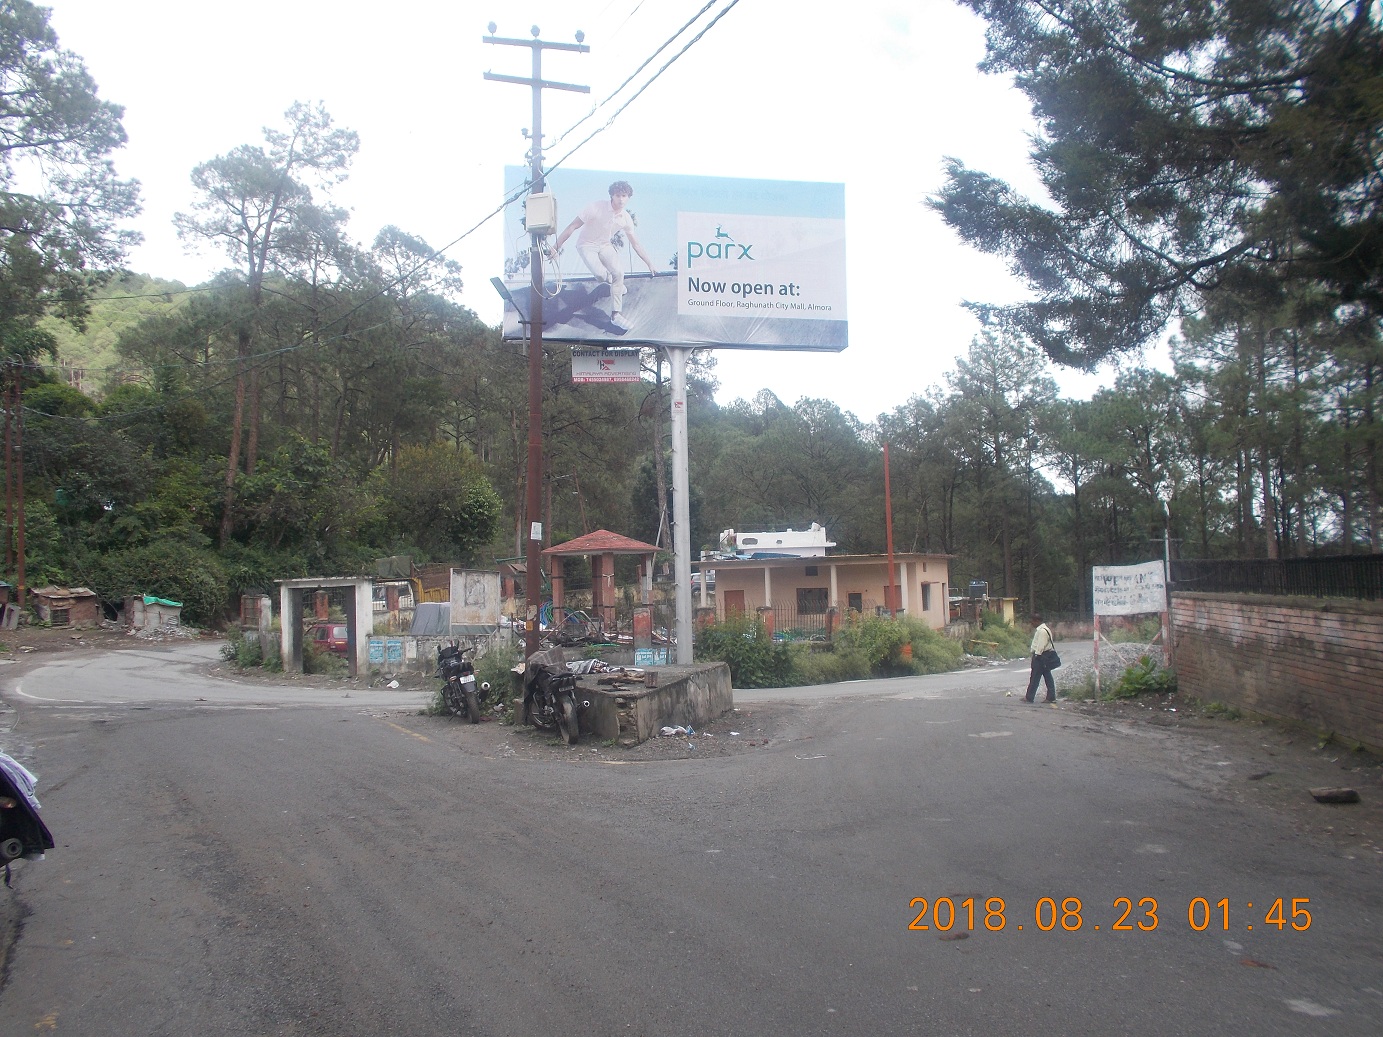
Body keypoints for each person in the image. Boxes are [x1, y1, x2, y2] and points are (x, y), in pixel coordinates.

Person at [550, 180, 656, 331]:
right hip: (586, 245)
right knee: (601, 276)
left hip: (605, 246)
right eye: (618, 195)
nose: (621, 199)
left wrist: (649, 263)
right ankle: (616, 286)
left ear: (628, 197)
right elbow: (572, 226)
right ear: (612, 196)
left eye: (624, 196)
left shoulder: (626, 218)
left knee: (619, 272)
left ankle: (616, 316)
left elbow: (636, 244)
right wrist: (555, 247)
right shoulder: (596, 207)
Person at [1024, 614, 1057, 703]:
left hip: (1041, 657)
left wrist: (1036, 656)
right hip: (1044, 656)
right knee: (1047, 676)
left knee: (1035, 677)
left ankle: (1029, 697)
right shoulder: (1044, 629)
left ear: (1037, 621)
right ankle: (1051, 697)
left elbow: (1040, 646)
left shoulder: (1042, 631)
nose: (1031, 624)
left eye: (1032, 622)